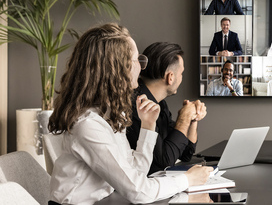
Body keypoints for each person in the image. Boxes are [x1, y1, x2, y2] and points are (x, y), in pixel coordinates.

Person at [48, 23, 212, 204]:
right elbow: (138, 191)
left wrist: (148, 127)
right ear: (118, 68)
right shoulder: (88, 125)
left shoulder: (109, 114)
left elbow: (136, 172)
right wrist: (187, 179)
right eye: (137, 60)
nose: (142, 68)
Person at [126, 42, 208, 175]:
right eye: (181, 73)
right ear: (170, 77)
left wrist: (193, 119)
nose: (181, 78)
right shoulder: (138, 105)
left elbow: (186, 154)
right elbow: (164, 162)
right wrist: (184, 117)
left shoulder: (161, 104)